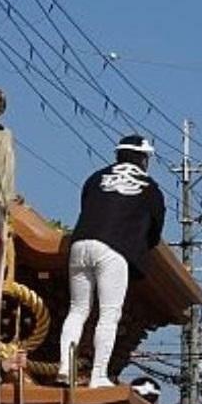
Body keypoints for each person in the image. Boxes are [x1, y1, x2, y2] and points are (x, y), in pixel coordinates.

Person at [56, 134, 166, 388]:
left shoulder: (95, 178)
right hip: (114, 250)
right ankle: (98, 375)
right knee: (109, 314)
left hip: (80, 243)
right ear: (143, 158)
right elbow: (155, 229)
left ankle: (64, 367)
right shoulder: (150, 188)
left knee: (77, 309)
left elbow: (86, 207)